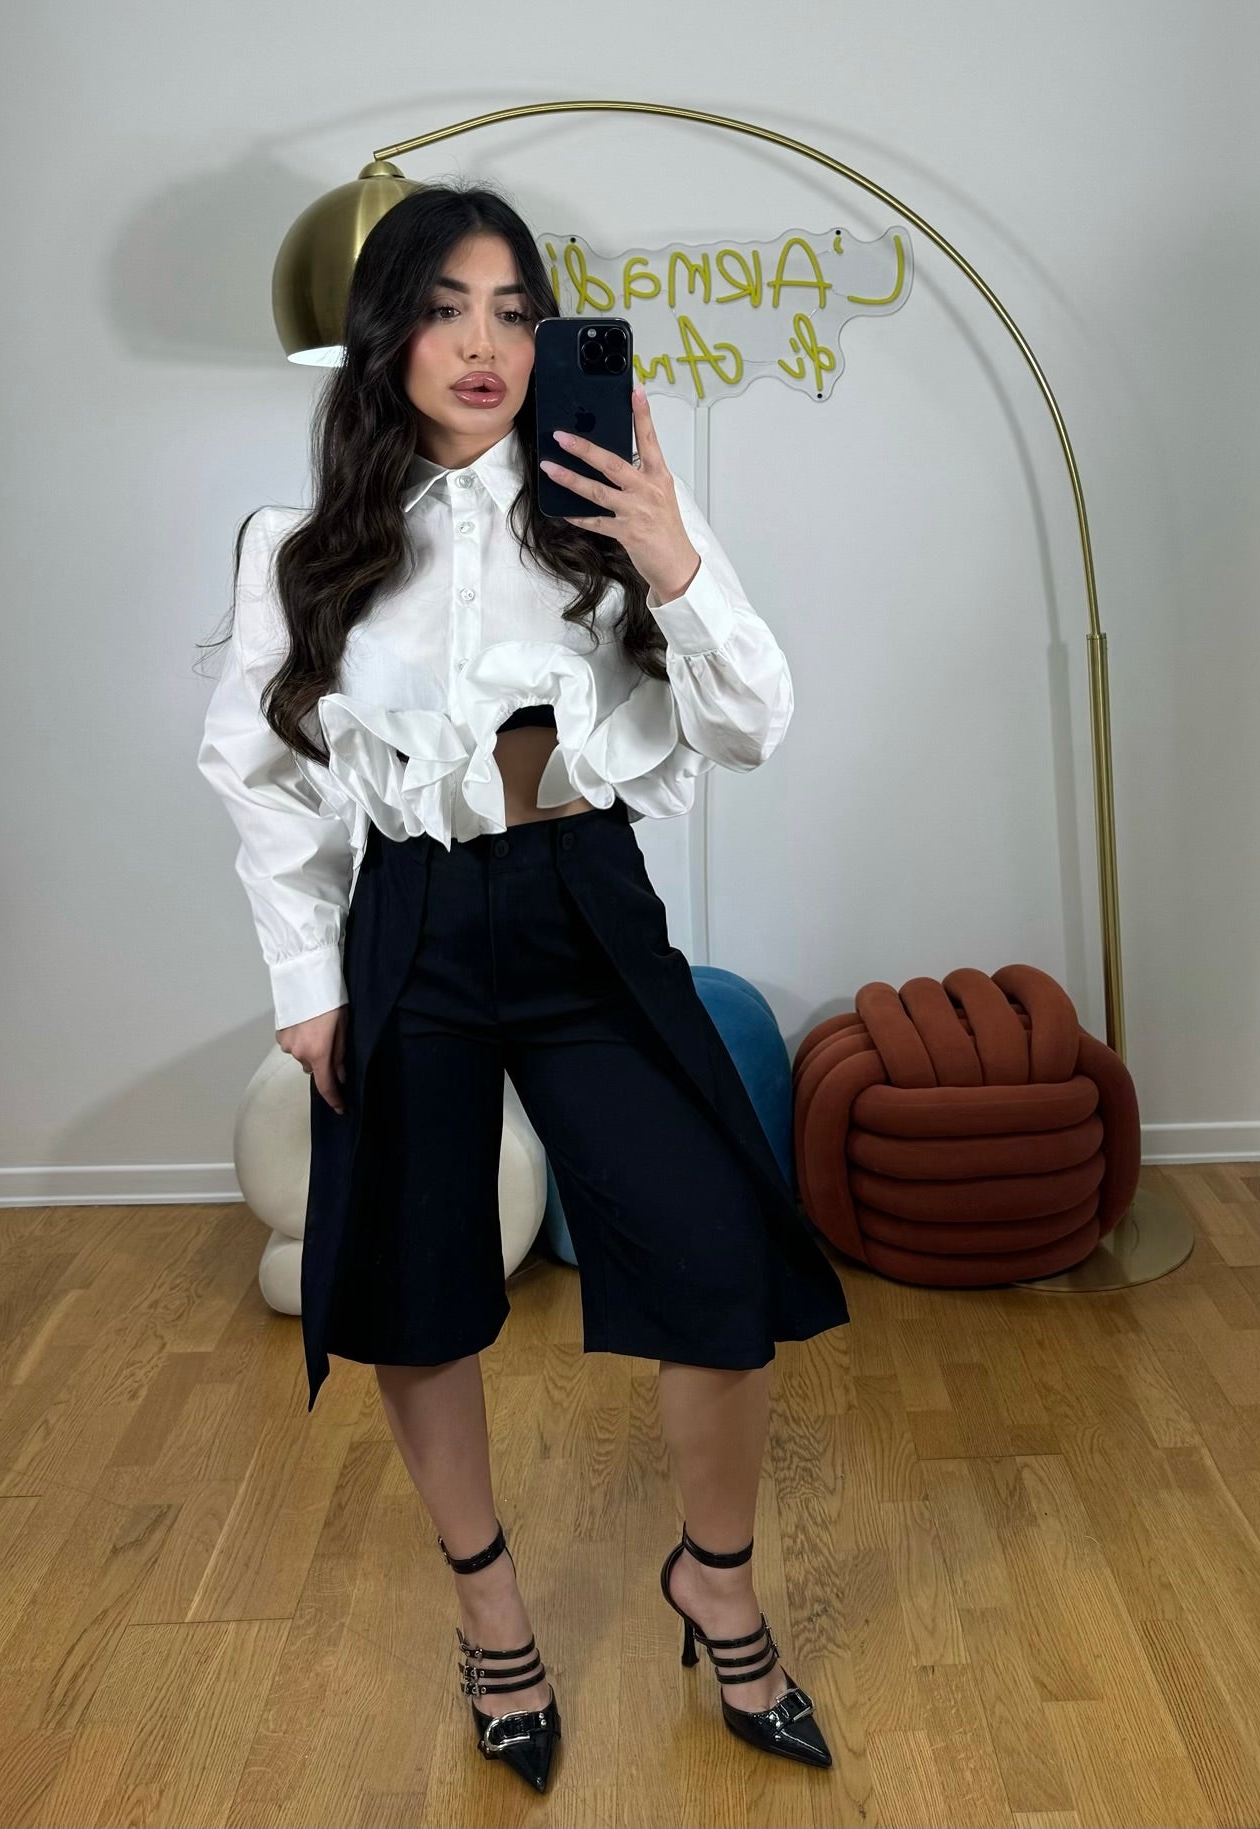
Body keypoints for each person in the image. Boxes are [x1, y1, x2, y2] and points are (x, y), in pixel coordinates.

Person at [196, 180, 850, 1794]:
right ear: (386, 335)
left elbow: (754, 719)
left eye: (511, 310)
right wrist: (306, 981)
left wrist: (672, 556)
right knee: (414, 1284)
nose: (481, 343)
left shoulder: (610, 507)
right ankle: (491, 1611)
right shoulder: (302, 548)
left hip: (580, 908)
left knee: (713, 1245)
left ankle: (718, 1582)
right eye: (443, 308)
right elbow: (262, 781)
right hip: (408, 923)